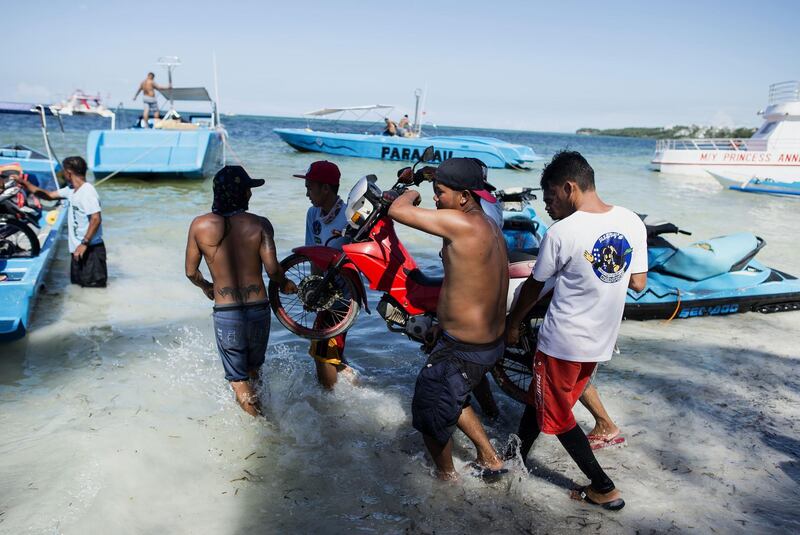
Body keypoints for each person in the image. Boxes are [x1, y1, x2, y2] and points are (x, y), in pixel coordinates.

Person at [506, 150, 647, 511]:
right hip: (600, 341)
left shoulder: (562, 232)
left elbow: (533, 288)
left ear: (569, 188)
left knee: (558, 415)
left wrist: (513, 323)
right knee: (543, 400)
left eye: (551, 198)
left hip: (562, 342)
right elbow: (638, 284)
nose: (549, 208)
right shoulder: (631, 221)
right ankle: (512, 457)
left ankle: (604, 487)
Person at [388, 157, 509, 481]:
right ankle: (490, 457)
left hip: (467, 347)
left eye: (439, 192)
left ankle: (446, 481)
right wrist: (444, 324)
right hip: (486, 340)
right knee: (452, 396)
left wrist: (409, 191)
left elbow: (398, 211)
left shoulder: (461, 223)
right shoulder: (487, 224)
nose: (436, 199)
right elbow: (470, 282)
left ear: (464, 197)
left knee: (429, 407)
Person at [185, 165, 296, 416]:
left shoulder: (199, 225)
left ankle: (262, 431)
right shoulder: (261, 225)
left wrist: (207, 287)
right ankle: (266, 417)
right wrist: (287, 284)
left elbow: (191, 272)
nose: (250, 194)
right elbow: (273, 271)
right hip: (259, 309)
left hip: (227, 311)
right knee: (255, 370)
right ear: (243, 193)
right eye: (248, 189)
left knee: (238, 379)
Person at [292, 160, 353, 389]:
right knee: (328, 350)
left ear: (325, 188)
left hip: (344, 295)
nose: (307, 192)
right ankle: (356, 385)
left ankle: (329, 403)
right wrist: (312, 291)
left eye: (310, 187)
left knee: (322, 352)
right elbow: (312, 254)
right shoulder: (312, 214)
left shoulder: (349, 217)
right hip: (323, 291)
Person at [21, 156, 107, 287]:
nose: (63, 175)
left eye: (63, 172)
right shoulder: (71, 190)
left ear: (69, 172)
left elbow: (96, 218)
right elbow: (48, 196)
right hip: (78, 250)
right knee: (79, 289)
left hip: (90, 250)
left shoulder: (88, 191)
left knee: (94, 289)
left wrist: (84, 243)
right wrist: (25, 184)